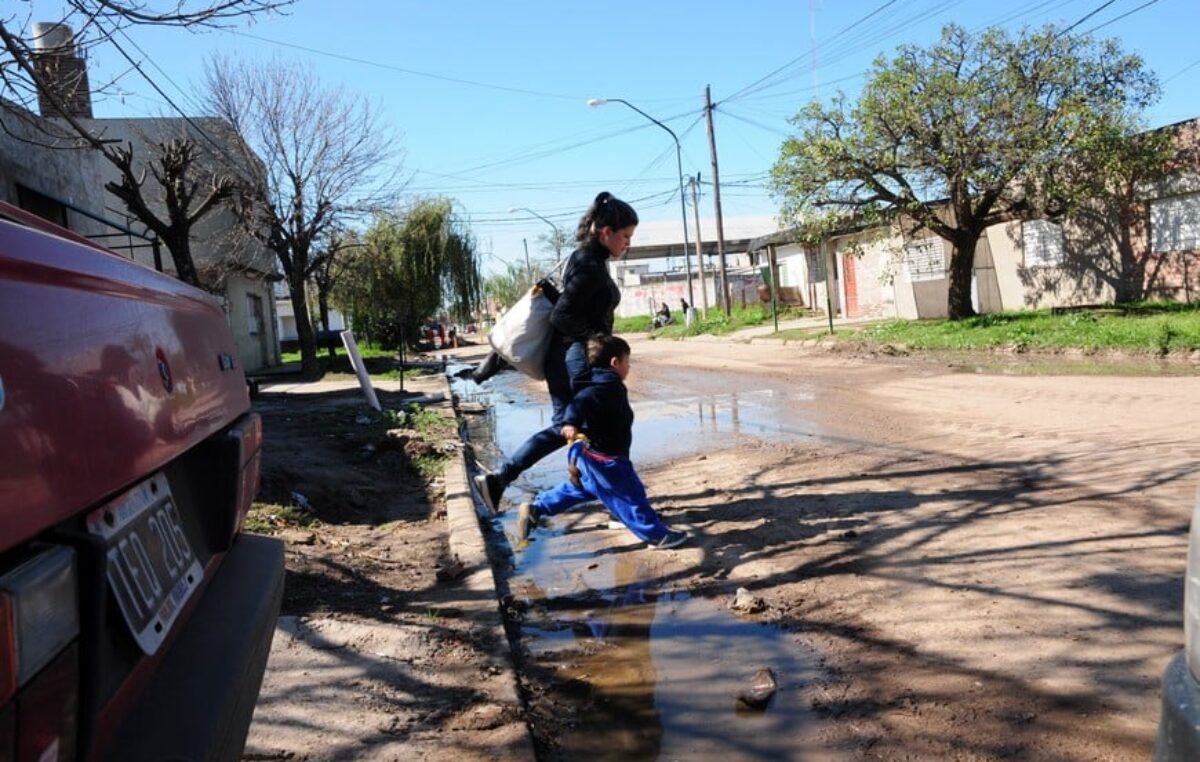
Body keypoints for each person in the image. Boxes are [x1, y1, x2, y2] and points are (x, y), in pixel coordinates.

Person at [473, 192, 638, 513]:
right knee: (592, 426)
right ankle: (613, 499)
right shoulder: (590, 264)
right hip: (575, 358)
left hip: (568, 356)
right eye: (626, 236)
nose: (628, 243)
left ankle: (509, 481)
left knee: (572, 427)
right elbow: (561, 315)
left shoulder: (587, 259)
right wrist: (598, 343)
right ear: (606, 232)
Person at [515, 334, 688, 549]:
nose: (629, 367)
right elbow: (579, 403)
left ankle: (537, 508)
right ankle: (655, 535)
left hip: (593, 456)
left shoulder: (603, 383)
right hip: (606, 459)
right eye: (627, 362)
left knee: (581, 489)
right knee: (631, 495)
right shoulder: (601, 387)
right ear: (615, 363)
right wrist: (570, 422)